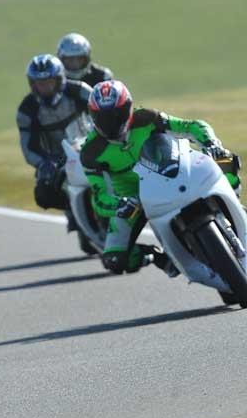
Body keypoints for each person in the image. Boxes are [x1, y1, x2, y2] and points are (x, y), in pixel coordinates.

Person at [81, 80, 241, 275]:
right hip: (134, 199)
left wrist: (211, 143)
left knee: (225, 160)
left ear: (128, 108)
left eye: (116, 115)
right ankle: (160, 258)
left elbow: (190, 126)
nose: (111, 123)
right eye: (103, 118)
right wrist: (119, 204)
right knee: (114, 260)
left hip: (171, 170)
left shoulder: (146, 117)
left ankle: (238, 208)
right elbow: (98, 197)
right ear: (92, 116)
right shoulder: (91, 151)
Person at [16, 54, 94, 249]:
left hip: (89, 147)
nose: (44, 87)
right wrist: (43, 163)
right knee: (43, 193)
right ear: (32, 84)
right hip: (57, 159)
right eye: (39, 83)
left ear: (60, 79)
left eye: (49, 82)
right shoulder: (27, 109)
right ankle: (72, 210)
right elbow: (29, 147)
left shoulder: (80, 91)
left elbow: (102, 113)